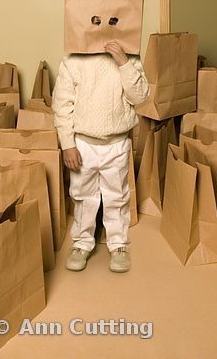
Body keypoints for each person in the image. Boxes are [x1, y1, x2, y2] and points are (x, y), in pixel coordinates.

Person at [52, 39, 149, 273]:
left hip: (116, 143)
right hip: (83, 143)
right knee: (83, 195)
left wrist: (124, 62)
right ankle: (82, 242)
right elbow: (62, 104)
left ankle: (118, 244)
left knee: (117, 196)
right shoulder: (73, 59)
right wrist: (67, 144)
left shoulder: (130, 58)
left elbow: (141, 97)